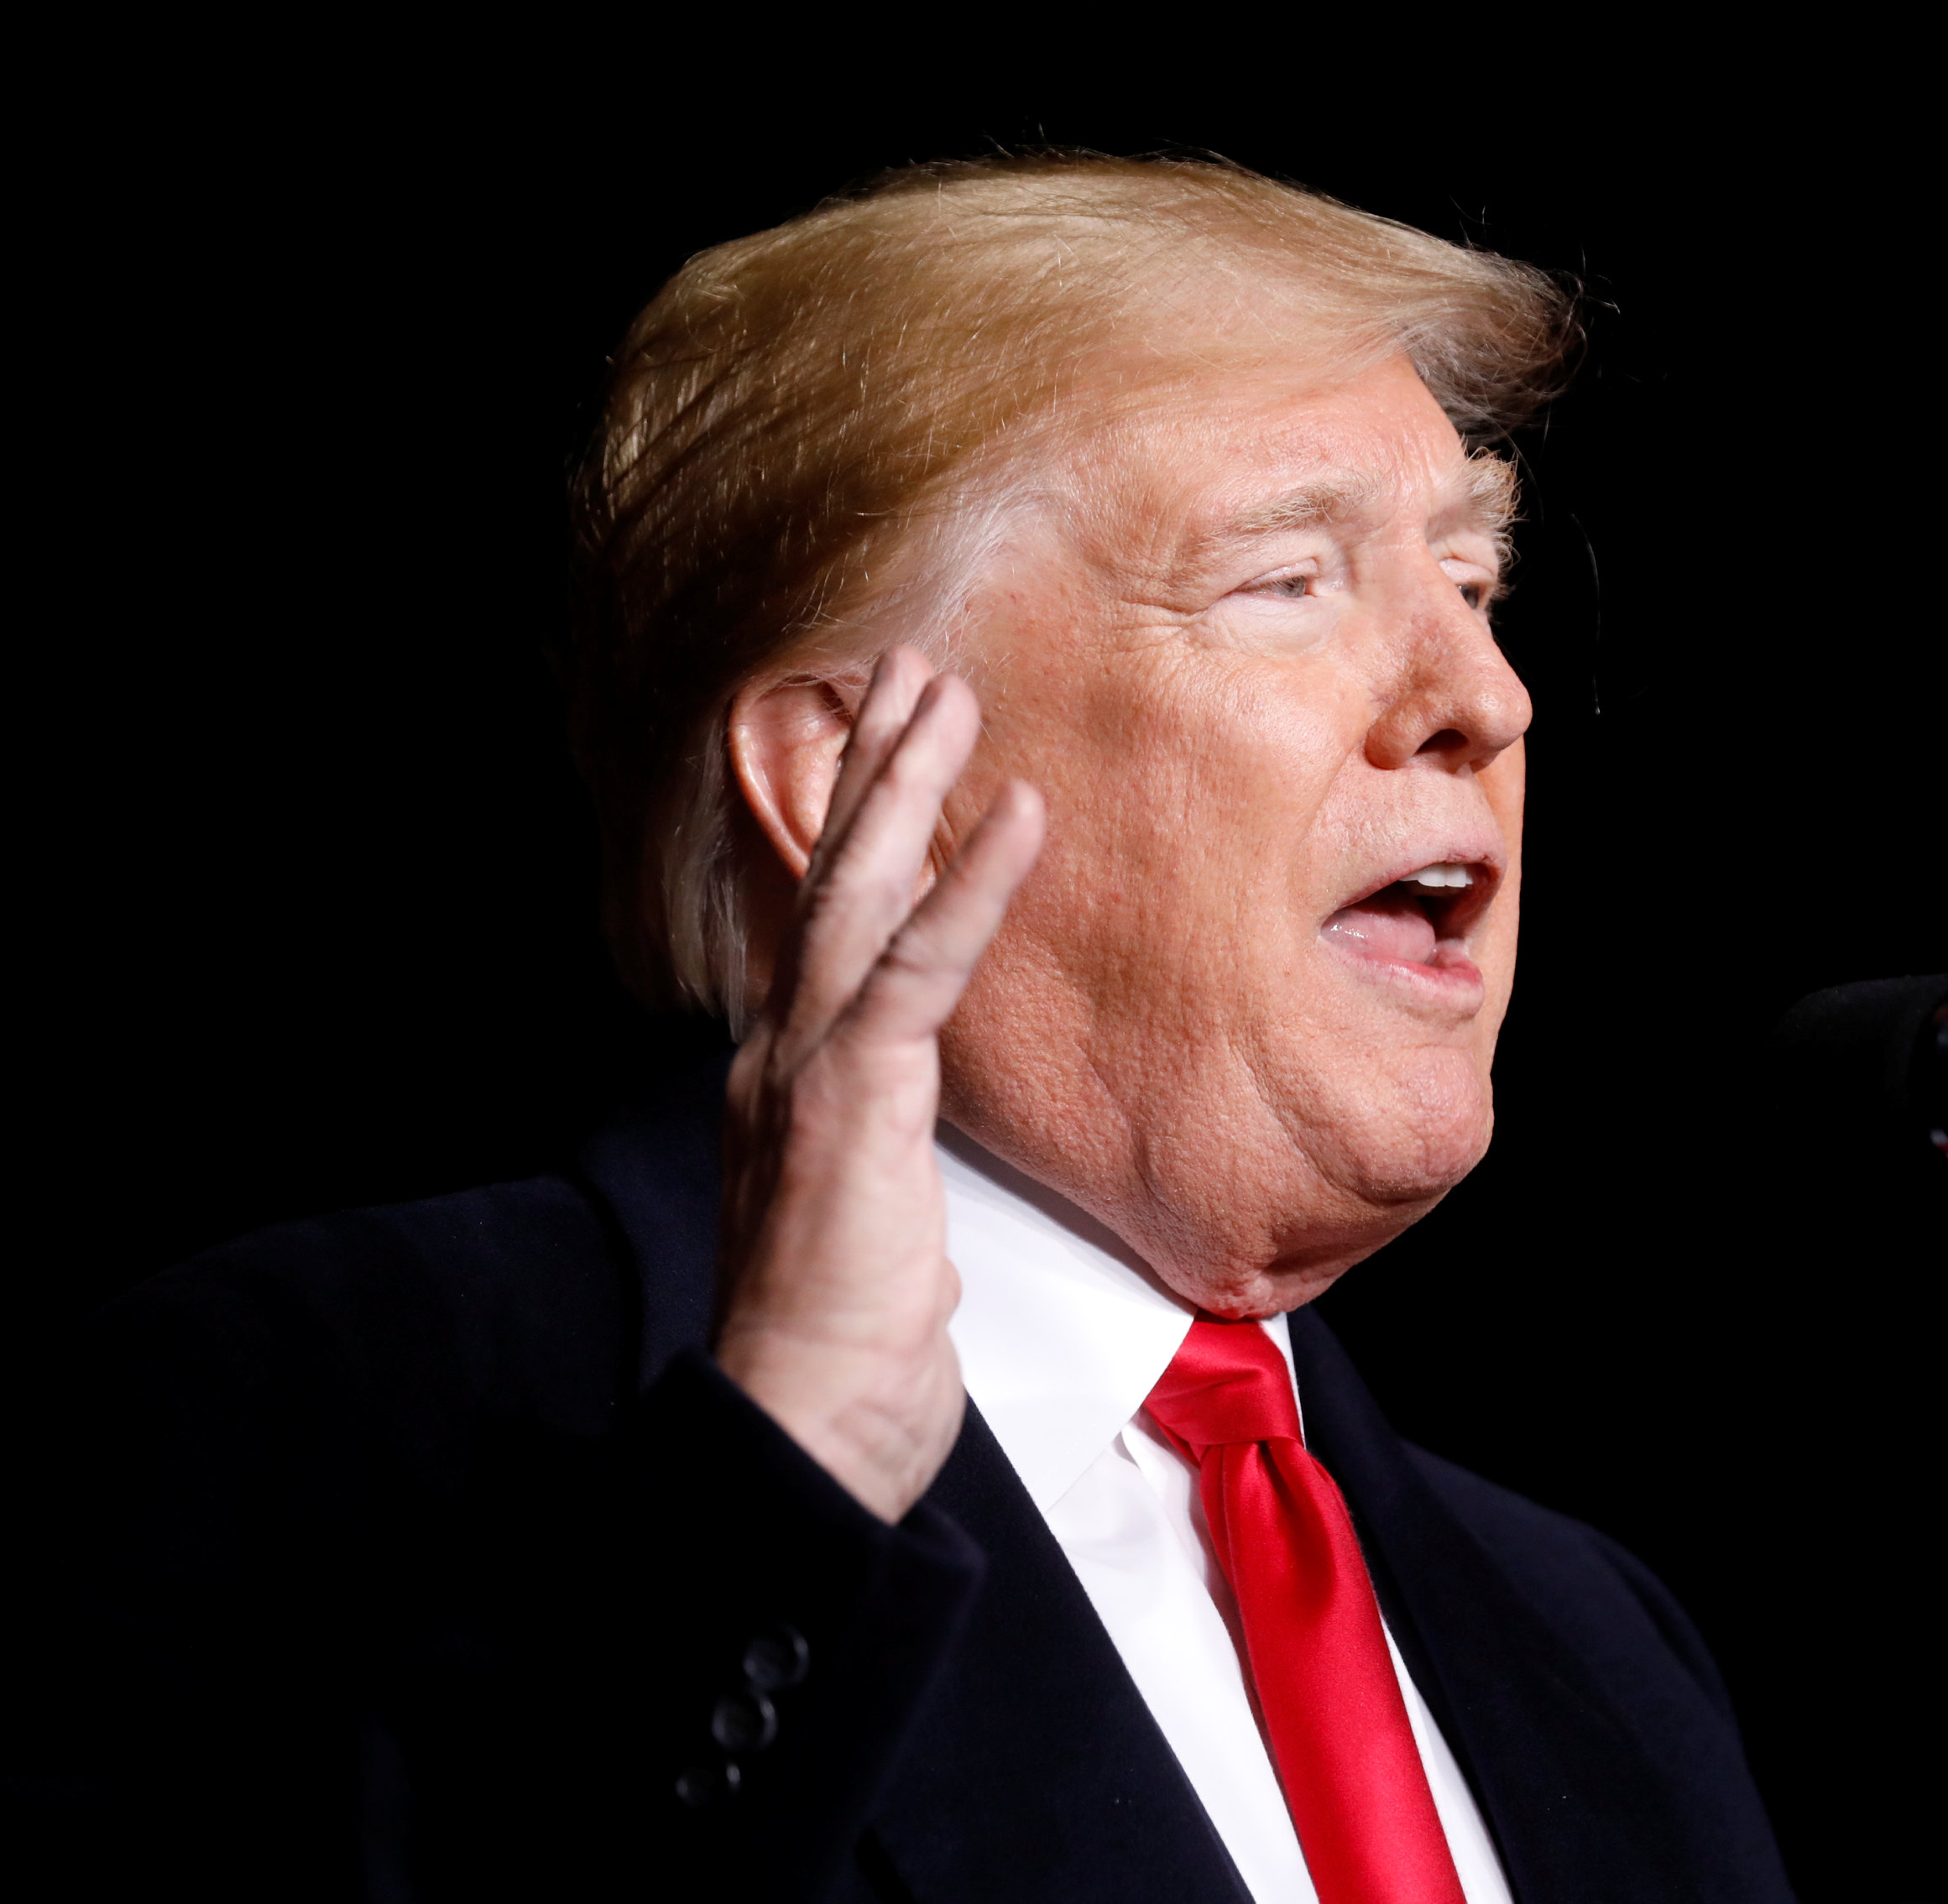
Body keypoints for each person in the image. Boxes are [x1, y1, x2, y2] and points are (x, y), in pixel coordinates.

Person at [37, 155, 1792, 1901]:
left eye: (1475, 583)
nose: (1483, 697)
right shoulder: (338, 1403)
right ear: (851, 773)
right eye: (1287, 580)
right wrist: (782, 1481)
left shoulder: (1603, 1643)